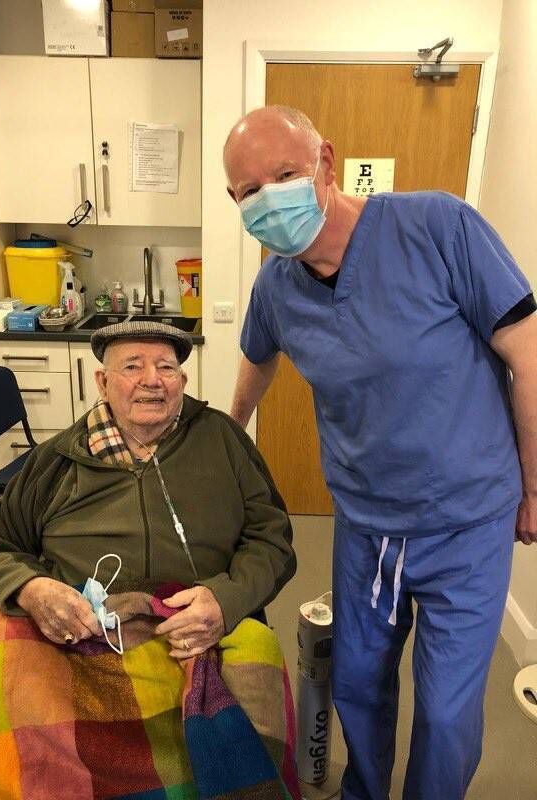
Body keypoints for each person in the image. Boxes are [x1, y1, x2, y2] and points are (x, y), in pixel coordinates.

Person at [224, 105, 537, 800]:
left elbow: (527, 350)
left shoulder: (437, 226)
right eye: (249, 191)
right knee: (359, 685)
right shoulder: (277, 285)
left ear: (327, 164)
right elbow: (257, 358)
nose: (268, 199)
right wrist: (226, 435)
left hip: (467, 520)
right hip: (368, 525)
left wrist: (534, 485)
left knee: (449, 710)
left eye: (284, 175)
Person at [0, 320, 299, 799]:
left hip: (197, 625)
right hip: (81, 635)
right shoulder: (57, 459)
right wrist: (34, 589)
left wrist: (226, 599)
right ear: (102, 382)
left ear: (183, 382)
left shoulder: (223, 441)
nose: (152, 379)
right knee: (7, 662)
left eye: (166, 367)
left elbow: (271, 538)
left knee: (259, 659)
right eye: (132, 366)